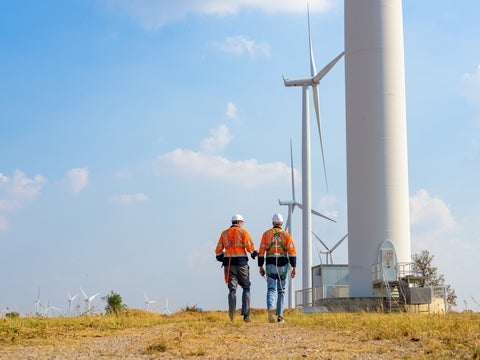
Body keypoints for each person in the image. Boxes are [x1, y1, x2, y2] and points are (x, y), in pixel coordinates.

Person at [215, 214, 258, 322]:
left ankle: (232, 316)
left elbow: (218, 251)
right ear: (239, 222)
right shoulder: (243, 232)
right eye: (242, 223)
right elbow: (250, 248)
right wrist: (254, 253)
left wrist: (222, 256)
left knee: (232, 290)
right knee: (246, 287)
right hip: (242, 264)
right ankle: (246, 315)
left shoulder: (224, 233)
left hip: (229, 264)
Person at [257, 213, 296, 323]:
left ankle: (270, 309)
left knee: (271, 289)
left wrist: (260, 266)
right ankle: (280, 316)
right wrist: (294, 267)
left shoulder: (266, 234)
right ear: (282, 223)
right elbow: (292, 252)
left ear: (272, 222)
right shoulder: (286, 235)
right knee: (281, 291)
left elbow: (261, 252)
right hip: (283, 265)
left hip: (270, 264)